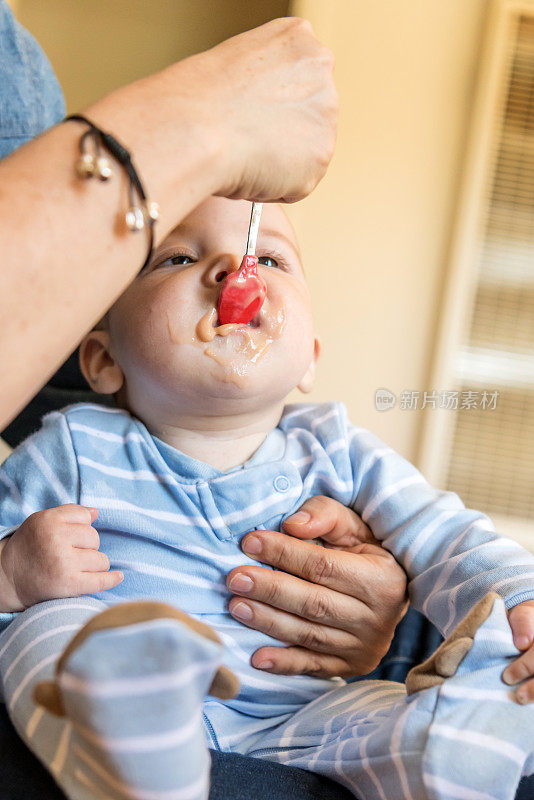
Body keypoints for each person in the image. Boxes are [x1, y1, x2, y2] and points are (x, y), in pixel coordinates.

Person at [0, 197, 534, 800]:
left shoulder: (335, 448)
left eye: (271, 258)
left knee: (395, 703)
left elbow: (445, 535)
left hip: (301, 723)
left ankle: (452, 750)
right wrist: (11, 572)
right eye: (178, 255)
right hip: (122, 693)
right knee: (45, 622)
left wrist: (520, 595)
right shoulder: (73, 446)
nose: (236, 266)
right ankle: (126, 755)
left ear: (308, 357)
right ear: (102, 360)